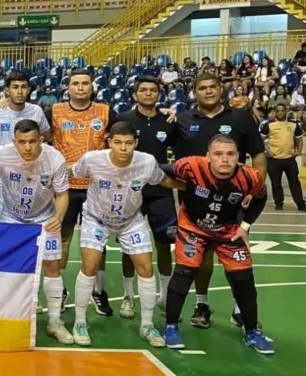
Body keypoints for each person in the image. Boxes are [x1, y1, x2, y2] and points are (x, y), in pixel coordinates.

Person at [69, 121, 183, 347]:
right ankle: (79, 322)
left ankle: (147, 325)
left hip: (130, 221)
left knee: (146, 267)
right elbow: (72, 172)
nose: (123, 148)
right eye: (118, 143)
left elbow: (164, 180)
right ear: (109, 142)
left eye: (129, 143)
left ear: (136, 143)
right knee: (89, 266)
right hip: (96, 219)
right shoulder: (92, 159)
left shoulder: (147, 161)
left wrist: (196, 187)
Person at [163, 135, 274, 355]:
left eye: (230, 154)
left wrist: (245, 226)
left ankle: (252, 332)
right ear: (208, 156)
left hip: (228, 230)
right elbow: (160, 169)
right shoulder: (191, 166)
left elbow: (260, 198)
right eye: (218, 154)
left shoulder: (250, 177)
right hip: (192, 227)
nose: (225, 159)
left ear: (238, 157)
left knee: (244, 279)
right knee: (185, 273)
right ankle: (170, 327)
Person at [172, 73, 267, 328]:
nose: (208, 91)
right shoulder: (182, 120)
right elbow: (170, 159)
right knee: (200, 258)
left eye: (213, 86)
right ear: (195, 92)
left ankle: (239, 308)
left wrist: (252, 188)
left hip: (235, 199)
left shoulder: (240, 117)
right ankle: (202, 304)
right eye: (202, 88)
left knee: (234, 254)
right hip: (196, 202)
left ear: (219, 89)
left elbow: (258, 154)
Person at [0, 119, 74, 344]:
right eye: (22, 142)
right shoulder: (1, 154)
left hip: (45, 218)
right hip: (12, 218)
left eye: (32, 141)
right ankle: (8, 318)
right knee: (8, 267)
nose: (28, 147)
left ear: (41, 139)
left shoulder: (54, 158)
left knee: (52, 266)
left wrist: (58, 217)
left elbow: (62, 194)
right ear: (14, 142)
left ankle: (54, 321)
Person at [46, 68, 116, 315]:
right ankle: (61, 289)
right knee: (62, 239)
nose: (80, 87)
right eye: (75, 83)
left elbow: (122, 136)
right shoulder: (54, 111)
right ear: (68, 87)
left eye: (85, 83)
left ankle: (99, 290)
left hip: (97, 188)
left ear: (92, 86)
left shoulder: (106, 111)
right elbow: (38, 135)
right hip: (64, 188)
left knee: (99, 242)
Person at [115, 76, 178, 318]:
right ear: (134, 95)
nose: (148, 93)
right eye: (143, 90)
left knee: (164, 244)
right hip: (130, 192)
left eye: (153, 90)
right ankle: (128, 297)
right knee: (130, 246)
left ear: (159, 94)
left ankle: (164, 296)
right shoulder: (123, 119)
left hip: (161, 191)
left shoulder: (169, 120)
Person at [0, 69, 52, 219]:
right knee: (5, 227)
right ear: (7, 90)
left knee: (33, 224)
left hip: (33, 178)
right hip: (4, 180)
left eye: (23, 87)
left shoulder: (36, 111)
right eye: (15, 87)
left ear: (29, 90)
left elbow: (47, 136)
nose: (20, 91)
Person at [260, 102, 305, 211]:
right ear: (275, 112)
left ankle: (300, 204)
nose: (280, 113)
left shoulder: (294, 125)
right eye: (278, 111)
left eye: (282, 111)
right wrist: (267, 151)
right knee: (276, 183)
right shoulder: (268, 124)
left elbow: (299, 139)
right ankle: (279, 203)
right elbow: (261, 139)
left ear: (286, 111)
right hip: (274, 159)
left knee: (294, 182)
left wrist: (298, 151)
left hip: (290, 159)